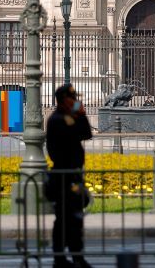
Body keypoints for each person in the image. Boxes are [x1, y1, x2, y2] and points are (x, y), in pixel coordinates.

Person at [46, 84, 93, 268]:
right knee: (66, 220)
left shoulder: (69, 117)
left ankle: (75, 257)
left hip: (73, 175)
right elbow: (75, 136)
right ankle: (63, 258)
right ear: (64, 100)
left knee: (74, 219)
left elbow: (86, 134)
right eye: (72, 99)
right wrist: (78, 116)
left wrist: (80, 114)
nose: (75, 102)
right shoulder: (58, 119)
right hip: (63, 177)